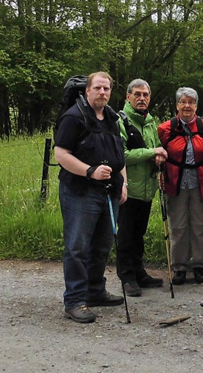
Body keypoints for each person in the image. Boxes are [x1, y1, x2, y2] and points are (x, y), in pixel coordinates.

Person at [55, 71, 127, 323]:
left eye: (106, 89)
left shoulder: (111, 117)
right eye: (97, 88)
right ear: (87, 90)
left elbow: (119, 152)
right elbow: (61, 154)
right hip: (80, 192)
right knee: (77, 247)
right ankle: (74, 301)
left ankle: (95, 291)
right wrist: (89, 171)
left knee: (102, 244)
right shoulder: (73, 117)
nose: (102, 93)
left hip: (109, 191)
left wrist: (124, 183)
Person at [158, 87, 203, 285]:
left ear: (196, 105)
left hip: (199, 181)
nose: (187, 106)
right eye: (183, 102)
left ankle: (200, 265)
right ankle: (179, 266)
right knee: (179, 225)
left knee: (200, 225)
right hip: (176, 182)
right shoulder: (166, 128)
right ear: (177, 105)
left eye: (191, 102)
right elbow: (161, 155)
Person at [116, 79, 168, 297]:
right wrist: (151, 152)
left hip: (147, 189)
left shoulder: (149, 122)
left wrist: (158, 158)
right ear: (128, 97)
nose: (141, 98)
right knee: (126, 235)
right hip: (129, 189)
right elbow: (122, 155)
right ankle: (126, 276)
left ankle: (139, 273)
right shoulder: (120, 121)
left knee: (139, 234)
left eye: (145, 95)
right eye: (137, 94)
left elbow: (156, 148)